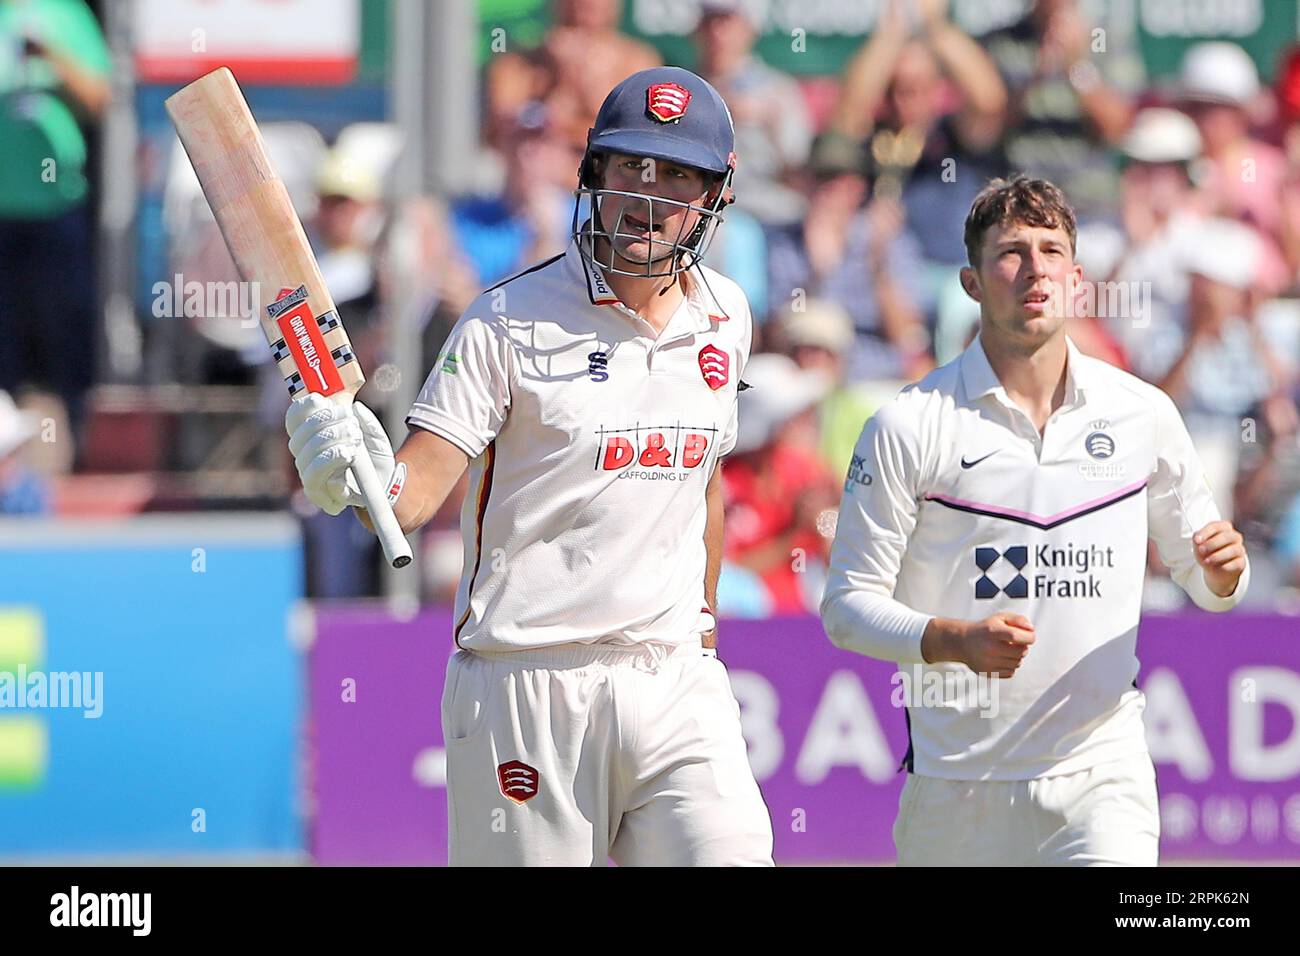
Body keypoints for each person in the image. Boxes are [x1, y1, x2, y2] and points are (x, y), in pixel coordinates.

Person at [286, 67, 773, 866]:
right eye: (632, 168)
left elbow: (705, 479)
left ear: (715, 196)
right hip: (526, 684)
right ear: (593, 178)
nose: (650, 196)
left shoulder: (726, 316)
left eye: (678, 176)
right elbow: (409, 498)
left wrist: (705, 627)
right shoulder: (504, 323)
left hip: (676, 679)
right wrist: (348, 467)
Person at [820, 176, 1250, 866]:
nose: (1035, 268)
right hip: (954, 791)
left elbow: (1204, 579)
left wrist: (1225, 574)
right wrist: (951, 640)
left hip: (1101, 777)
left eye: (1052, 250)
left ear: (1077, 280)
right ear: (969, 281)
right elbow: (845, 609)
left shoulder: (1143, 413)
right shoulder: (908, 422)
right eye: (1011, 252)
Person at [0, 0, 110, 449]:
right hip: (3, 210)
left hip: (57, 208)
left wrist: (50, 54)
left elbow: (99, 98)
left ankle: (78, 444)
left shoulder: (69, 15)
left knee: (65, 329)